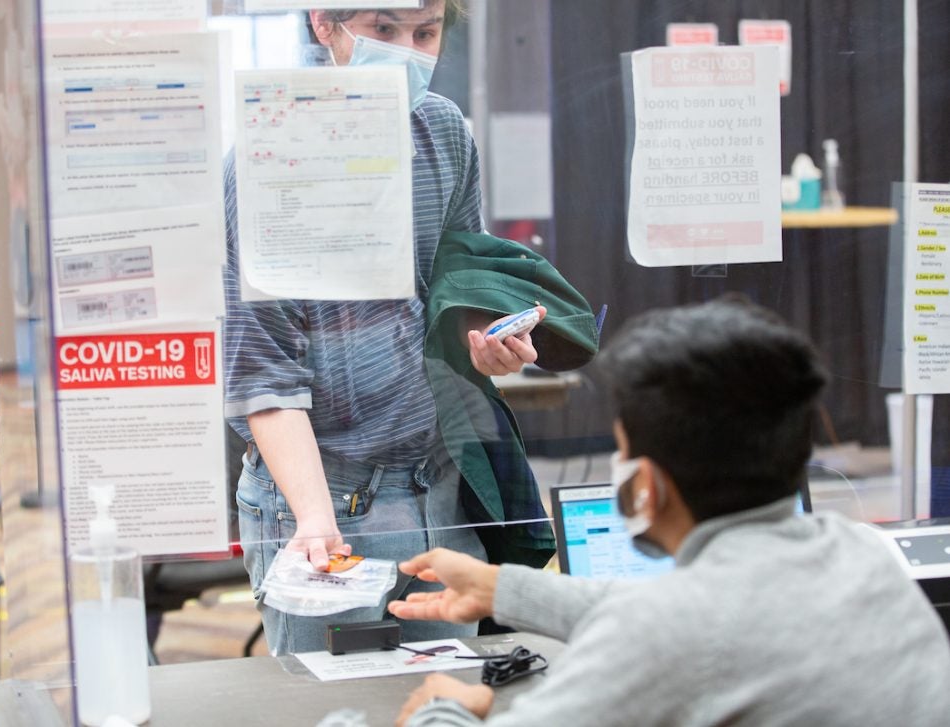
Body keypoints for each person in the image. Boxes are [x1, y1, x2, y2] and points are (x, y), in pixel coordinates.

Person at [223, 1, 597, 655]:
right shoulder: (264, 159)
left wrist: (490, 345)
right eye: (383, 30)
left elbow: (457, 292)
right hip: (324, 495)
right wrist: (315, 515)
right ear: (323, 24)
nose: (406, 52)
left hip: (438, 484)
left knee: (441, 695)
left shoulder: (443, 132)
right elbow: (263, 372)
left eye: (425, 34)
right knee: (322, 707)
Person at [387, 298, 950, 726]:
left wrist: (447, 708)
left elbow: (663, 625)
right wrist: (501, 588)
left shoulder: (667, 633)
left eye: (624, 451)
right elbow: (664, 613)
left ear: (648, 486)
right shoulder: (860, 556)